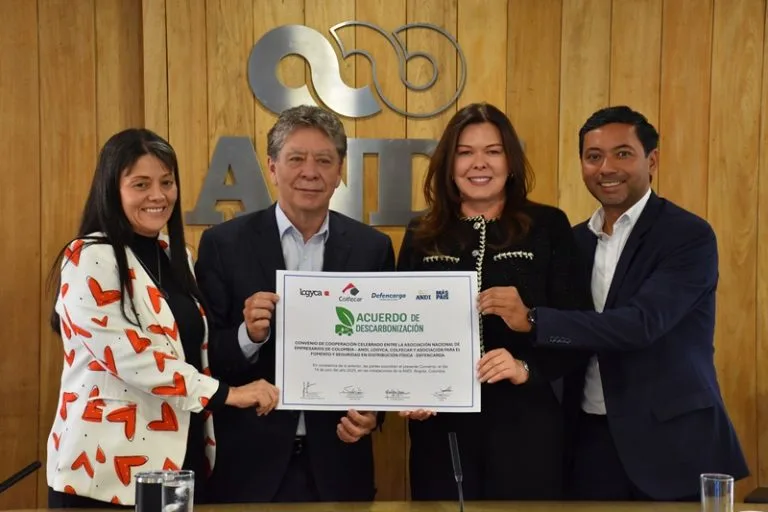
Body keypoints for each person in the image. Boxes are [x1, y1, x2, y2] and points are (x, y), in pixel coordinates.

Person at [491, 105, 749, 501]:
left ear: (652, 160)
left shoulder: (688, 235)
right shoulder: (574, 241)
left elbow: (641, 323)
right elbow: (567, 337)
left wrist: (534, 320)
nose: (606, 168)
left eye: (623, 153)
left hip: (671, 444)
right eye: (593, 156)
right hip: (588, 441)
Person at [45, 129, 279, 508]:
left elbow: (190, 350)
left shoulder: (176, 255)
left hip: (176, 465)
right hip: (104, 475)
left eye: (166, 182)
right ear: (112, 189)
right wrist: (227, 394)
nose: (158, 195)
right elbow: (130, 356)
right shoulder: (88, 257)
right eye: (141, 184)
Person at [195, 105, 395, 503]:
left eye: (324, 160)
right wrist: (248, 336)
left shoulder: (372, 249)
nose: (310, 172)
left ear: (340, 171)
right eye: (296, 159)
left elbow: (386, 351)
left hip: (340, 462)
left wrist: (373, 413)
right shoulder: (223, 245)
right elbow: (203, 355)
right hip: (249, 467)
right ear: (272, 167)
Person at [396, 102, 591, 501]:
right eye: (465, 152)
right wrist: (410, 389)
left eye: (493, 151)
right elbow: (399, 328)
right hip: (441, 430)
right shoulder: (422, 232)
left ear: (511, 161)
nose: (479, 163)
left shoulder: (548, 226)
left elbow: (579, 328)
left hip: (527, 425)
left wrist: (525, 365)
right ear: (448, 164)